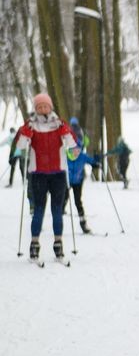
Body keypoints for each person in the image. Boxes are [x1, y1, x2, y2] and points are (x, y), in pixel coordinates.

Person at [15, 93, 77, 262]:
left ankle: (58, 244)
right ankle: (34, 245)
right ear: (35, 109)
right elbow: (20, 148)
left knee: (57, 211)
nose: (43, 109)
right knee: (38, 211)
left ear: (50, 107)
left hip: (58, 173)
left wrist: (67, 133)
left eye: (45, 106)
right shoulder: (31, 125)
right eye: (39, 106)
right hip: (38, 174)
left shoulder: (59, 124)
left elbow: (73, 146)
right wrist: (25, 133)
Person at [66, 117, 101, 234]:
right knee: (62, 200)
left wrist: (96, 162)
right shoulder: (65, 156)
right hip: (66, 181)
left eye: (78, 149)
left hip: (78, 181)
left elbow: (92, 162)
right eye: (75, 149)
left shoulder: (82, 156)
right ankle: (57, 221)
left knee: (78, 202)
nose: (77, 151)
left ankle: (83, 224)